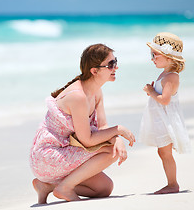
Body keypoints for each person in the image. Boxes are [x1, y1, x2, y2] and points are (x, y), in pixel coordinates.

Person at [29, 43, 135, 204]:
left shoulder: (96, 91)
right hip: (47, 157)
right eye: (111, 64)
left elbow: (103, 127)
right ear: (94, 71)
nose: (116, 67)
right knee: (111, 151)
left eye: (116, 61)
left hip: (65, 152)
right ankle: (64, 188)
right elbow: (87, 140)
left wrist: (117, 137)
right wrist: (118, 130)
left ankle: (48, 185)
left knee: (104, 188)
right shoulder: (78, 96)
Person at [139, 32, 191, 194]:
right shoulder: (165, 74)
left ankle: (173, 184)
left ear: (169, 56)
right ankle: (171, 183)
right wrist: (153, 91)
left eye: (155, 55)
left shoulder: (171, 77)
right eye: (151, 55)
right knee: (163, 152)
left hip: (166, 120)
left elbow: (165, 100)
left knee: (164, 152)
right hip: (160, 118)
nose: (152, 58)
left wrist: (150, 91)